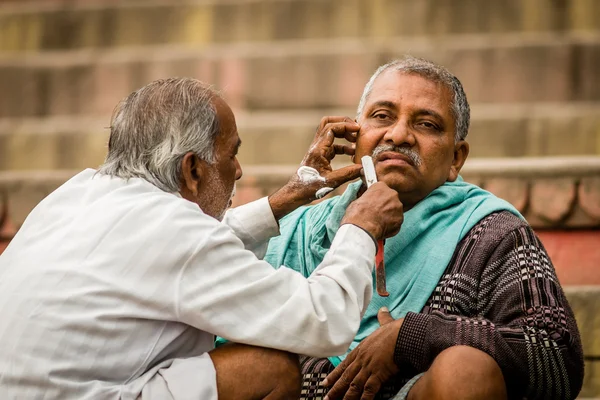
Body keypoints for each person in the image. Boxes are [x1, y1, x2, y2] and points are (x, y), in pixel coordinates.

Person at [0, 78, 406, 399]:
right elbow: (325, 321)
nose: (240, 171)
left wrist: (284, 201)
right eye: (232, 155)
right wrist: (360, 226)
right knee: (268, 370)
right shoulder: (175, 231)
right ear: (192, 169)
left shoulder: (78, 192)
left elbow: (168, 251)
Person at [263, 57, 584, 400]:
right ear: (355, 134)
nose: (399, 135)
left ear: (456, 159)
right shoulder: (295, 231)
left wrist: (411, 337)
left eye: (427, 124)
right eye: (382, 116)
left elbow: (556, 356)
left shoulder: (492, 233)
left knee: (465, 372)